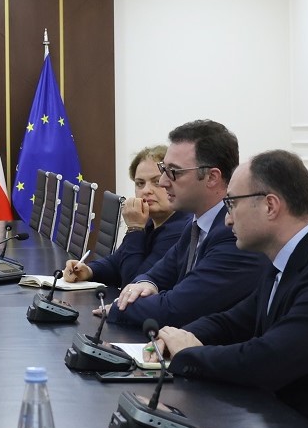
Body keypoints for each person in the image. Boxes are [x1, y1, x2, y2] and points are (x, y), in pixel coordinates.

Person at [155, 150, 308, 428]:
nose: (227, 220)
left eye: (232, 204)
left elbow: (265, 361)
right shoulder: (289, 257)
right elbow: (234, 321)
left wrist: (189, 354)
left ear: (270, 206)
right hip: (279, 422)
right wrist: (177, 337)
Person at [106, 119, 268, 327]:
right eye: (164, 169)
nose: (163, 182)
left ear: (212, 177)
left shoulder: (234, 233)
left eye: (174, 172)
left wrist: (119, 307)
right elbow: (153, 275)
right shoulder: (196, 224)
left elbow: (175, 310)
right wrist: (144, 284)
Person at [63, 144, 192, 290]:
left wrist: (134, 229)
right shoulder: (149, 221)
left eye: (156, 182)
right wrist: (89, 270)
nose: (146, 190)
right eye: (140, 183)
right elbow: (117, 262)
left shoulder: (181, 228)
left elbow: (133, 285)